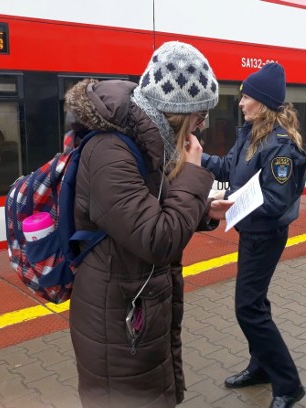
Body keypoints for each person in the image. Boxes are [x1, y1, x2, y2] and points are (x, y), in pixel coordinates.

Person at [65, 41, 232, 408]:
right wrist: (193, 172)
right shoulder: (111, 151)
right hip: (114, 320)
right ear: (177, 113)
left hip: (132, 304)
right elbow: (157, 238)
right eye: (200, 118)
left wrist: (203, 211)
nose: (202, 128)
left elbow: (151, 209)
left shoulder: (144, 143)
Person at [202, 63, 306, 408]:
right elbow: (227, 168)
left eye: (246, 95)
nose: (241, 102)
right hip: (251, 231)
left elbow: (276, 201)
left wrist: (232, 203)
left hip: (265, 235)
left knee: (248, 308)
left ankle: (289, 384)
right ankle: (261, 367)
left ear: (262, 102)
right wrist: (192, 156)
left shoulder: (280, 146)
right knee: (256, 303)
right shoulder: (249, 134)